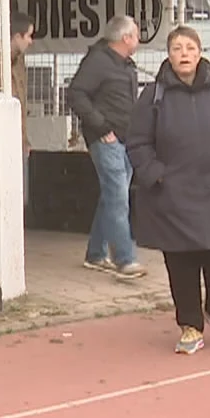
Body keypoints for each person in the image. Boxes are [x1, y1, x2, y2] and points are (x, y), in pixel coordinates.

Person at [126, 25, 210, 355]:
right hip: (173, 194)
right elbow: (138, 141)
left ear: (200, 52)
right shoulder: (153, 95)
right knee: (181, 263)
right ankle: (190, 325)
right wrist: (156, 175)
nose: (184, 54)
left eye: (190, 48)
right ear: (168, 54)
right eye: (177, 48)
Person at [64, 15, 146, 279]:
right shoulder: (98, 61)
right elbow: (76, 93)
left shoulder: (125, 64)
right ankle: (125, 259)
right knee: (118, 196)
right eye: (136, 34)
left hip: (124, 139)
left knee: (112, 195)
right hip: (106, 139)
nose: (139, 38)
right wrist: (100, 127)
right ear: (126, 38)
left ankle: (96, 253)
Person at [9, 9, 35, 204]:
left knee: (20, 198)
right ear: (17, 36)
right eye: (28, 36)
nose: (30, 41)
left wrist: (25, 139)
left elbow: (21, 103)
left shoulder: (19, 62)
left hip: (18, 140)